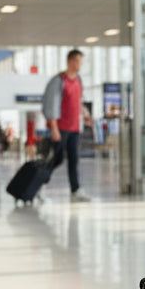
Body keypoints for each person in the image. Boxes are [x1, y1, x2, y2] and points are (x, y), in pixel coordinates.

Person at [42, 48, 94, 202]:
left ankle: (75, 189)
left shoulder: (78, 80)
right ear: (70, 61)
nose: (79, 65)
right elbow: (50, 104)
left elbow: (78, 101)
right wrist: (54, 127)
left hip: (75, 128)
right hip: (61, 128)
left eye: (81, 62)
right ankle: (38, 182)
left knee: (74, 159)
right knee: (56, 159)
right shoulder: (58, 81)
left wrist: (85, 115)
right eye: (77, 61)